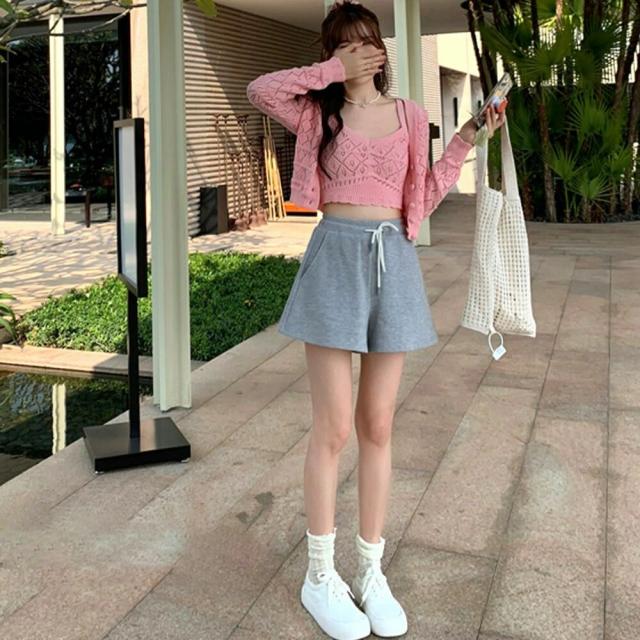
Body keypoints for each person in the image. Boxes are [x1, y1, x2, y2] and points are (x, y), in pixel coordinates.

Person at [246, 2, 506, 639]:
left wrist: (467, 137)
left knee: (379, 425)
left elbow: (424, 194)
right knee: (333, 426)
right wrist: (330, 72)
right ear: (334, 52)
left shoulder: (411, 116)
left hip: (393, 262)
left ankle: (370, 569)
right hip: (334, 260)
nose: (365, 50)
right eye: (349, 43)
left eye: (370, 40)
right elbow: (260, 89)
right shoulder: (317, 112)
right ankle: (319, 574)